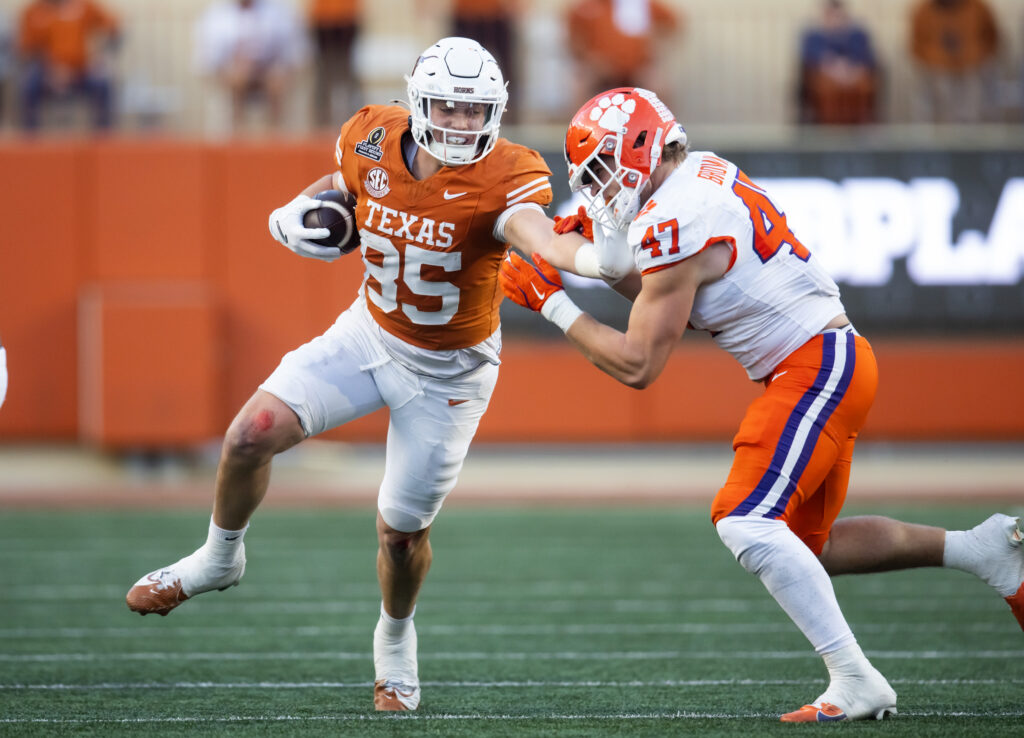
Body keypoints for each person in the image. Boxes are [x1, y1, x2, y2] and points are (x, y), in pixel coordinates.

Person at [500, 87, 1024, 722]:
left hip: (813, 368)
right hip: (833, 360)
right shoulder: (698, 175)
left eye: (603, 172)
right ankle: (982, 549)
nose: (600, 192)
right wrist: (605, 269)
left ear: (636, 151)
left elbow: (639, 363)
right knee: (809, 545)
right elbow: (672, 284)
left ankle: (855, 678)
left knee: (745, 521)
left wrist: (554, 304)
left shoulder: (675, 220)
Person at [126, 37, 574, 713]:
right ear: (420, 104)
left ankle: (395, 640)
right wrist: (291, 214)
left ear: (496, 112)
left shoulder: (508, 173)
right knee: (250, 433)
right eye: (447, 108)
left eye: (473, 110)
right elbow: (339, 190)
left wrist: (587, 257)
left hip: (449, 371)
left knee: (399, 534)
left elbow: (536, 233)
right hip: (368, 334)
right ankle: (220, 558)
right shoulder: (371, 134)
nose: (459, 123)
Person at [194, 0, 309, 134]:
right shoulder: (215, 16)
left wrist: (280, 70)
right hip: (233, 76)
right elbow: (206, 62)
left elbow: (297, 54)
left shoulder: (279, 12)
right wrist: (229, 72)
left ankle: (276, 139)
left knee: (276, 81)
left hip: (270, 73)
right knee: (238, 79)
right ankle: (237, 138)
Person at [15, 0, 119, 132]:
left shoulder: (84, 6)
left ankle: (104, 138)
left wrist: (99, 56)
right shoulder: (32, 12)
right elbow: (26, 50)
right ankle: (30, 141)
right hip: (46, 70)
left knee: (102, 83)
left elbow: (113, 27)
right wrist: (51, 69)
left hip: (81, 69)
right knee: (28, 85)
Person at [565, 0, 681, 111]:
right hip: (602, 69)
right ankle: (580, 127)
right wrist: (589, 58)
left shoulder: (643, 5)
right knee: (581, 86)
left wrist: (654, 51)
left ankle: (661, 128)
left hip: (638, 68)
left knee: (658, 86)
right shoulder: (588, 7)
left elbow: (672, 26)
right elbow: (573, 36)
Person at [909, 0, 1000, 123]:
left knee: (975, 90)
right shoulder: (923, 11)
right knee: (936, 87)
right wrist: (939, 61)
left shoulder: (979, 8)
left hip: (972, 73)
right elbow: (917, 47)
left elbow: (992, 41)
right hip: (936, 74)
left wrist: (972, 58)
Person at [797, 0, 879, 125]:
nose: (834, 20)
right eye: (830, 16)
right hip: (826, 75)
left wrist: (850, 69)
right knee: (826, 89)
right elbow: (811, 57)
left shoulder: (857, 34)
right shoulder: (813, 36)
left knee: (863, 86)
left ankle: (859, 123)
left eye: (838, 16)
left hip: (854, 74)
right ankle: (829, 125)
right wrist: (832, 66)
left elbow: (866, 57)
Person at [308, 0, 361, 129]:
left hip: (346, 17)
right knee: (324, 73)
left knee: (346, 71)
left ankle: (354, 117)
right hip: (323, 18)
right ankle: (322, 120)